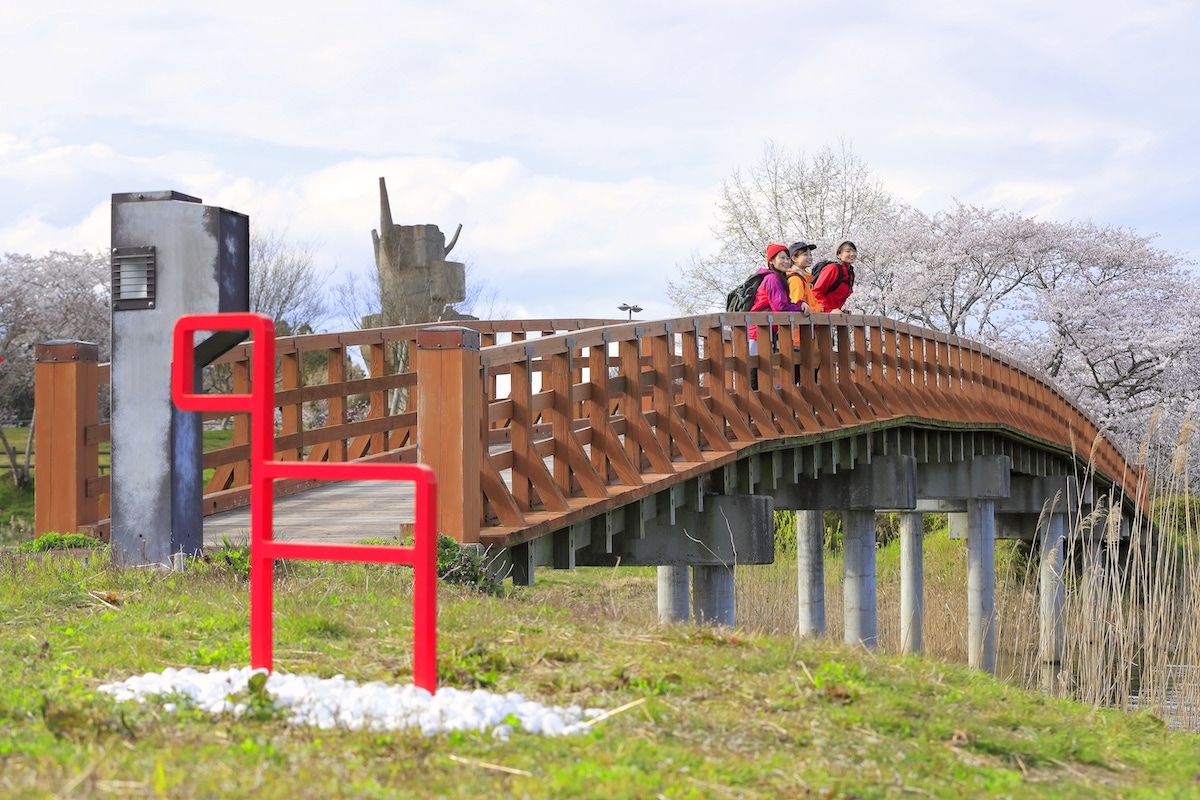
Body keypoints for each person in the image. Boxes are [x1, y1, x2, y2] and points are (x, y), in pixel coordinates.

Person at [749, 243, 809, 388]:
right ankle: (754, 408)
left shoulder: (778, 279)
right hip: (758, 331)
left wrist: (798, 304)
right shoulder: (772, 279)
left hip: (765, 330)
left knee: (760, 370)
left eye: (787, 258)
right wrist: (799, 306)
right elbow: (780, 307)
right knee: (755, 372)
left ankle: (760, 406)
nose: (786, 261)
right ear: (771, 261)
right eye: (781, 258)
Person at [813, 240, 856, 312]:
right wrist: (829, 310)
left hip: (833, 317)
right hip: (821, 315)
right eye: (848, 251)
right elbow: (816, 292)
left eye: (854, 251)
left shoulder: (850, 274)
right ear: (838, 255)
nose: (852, 254)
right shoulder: (833, 269)